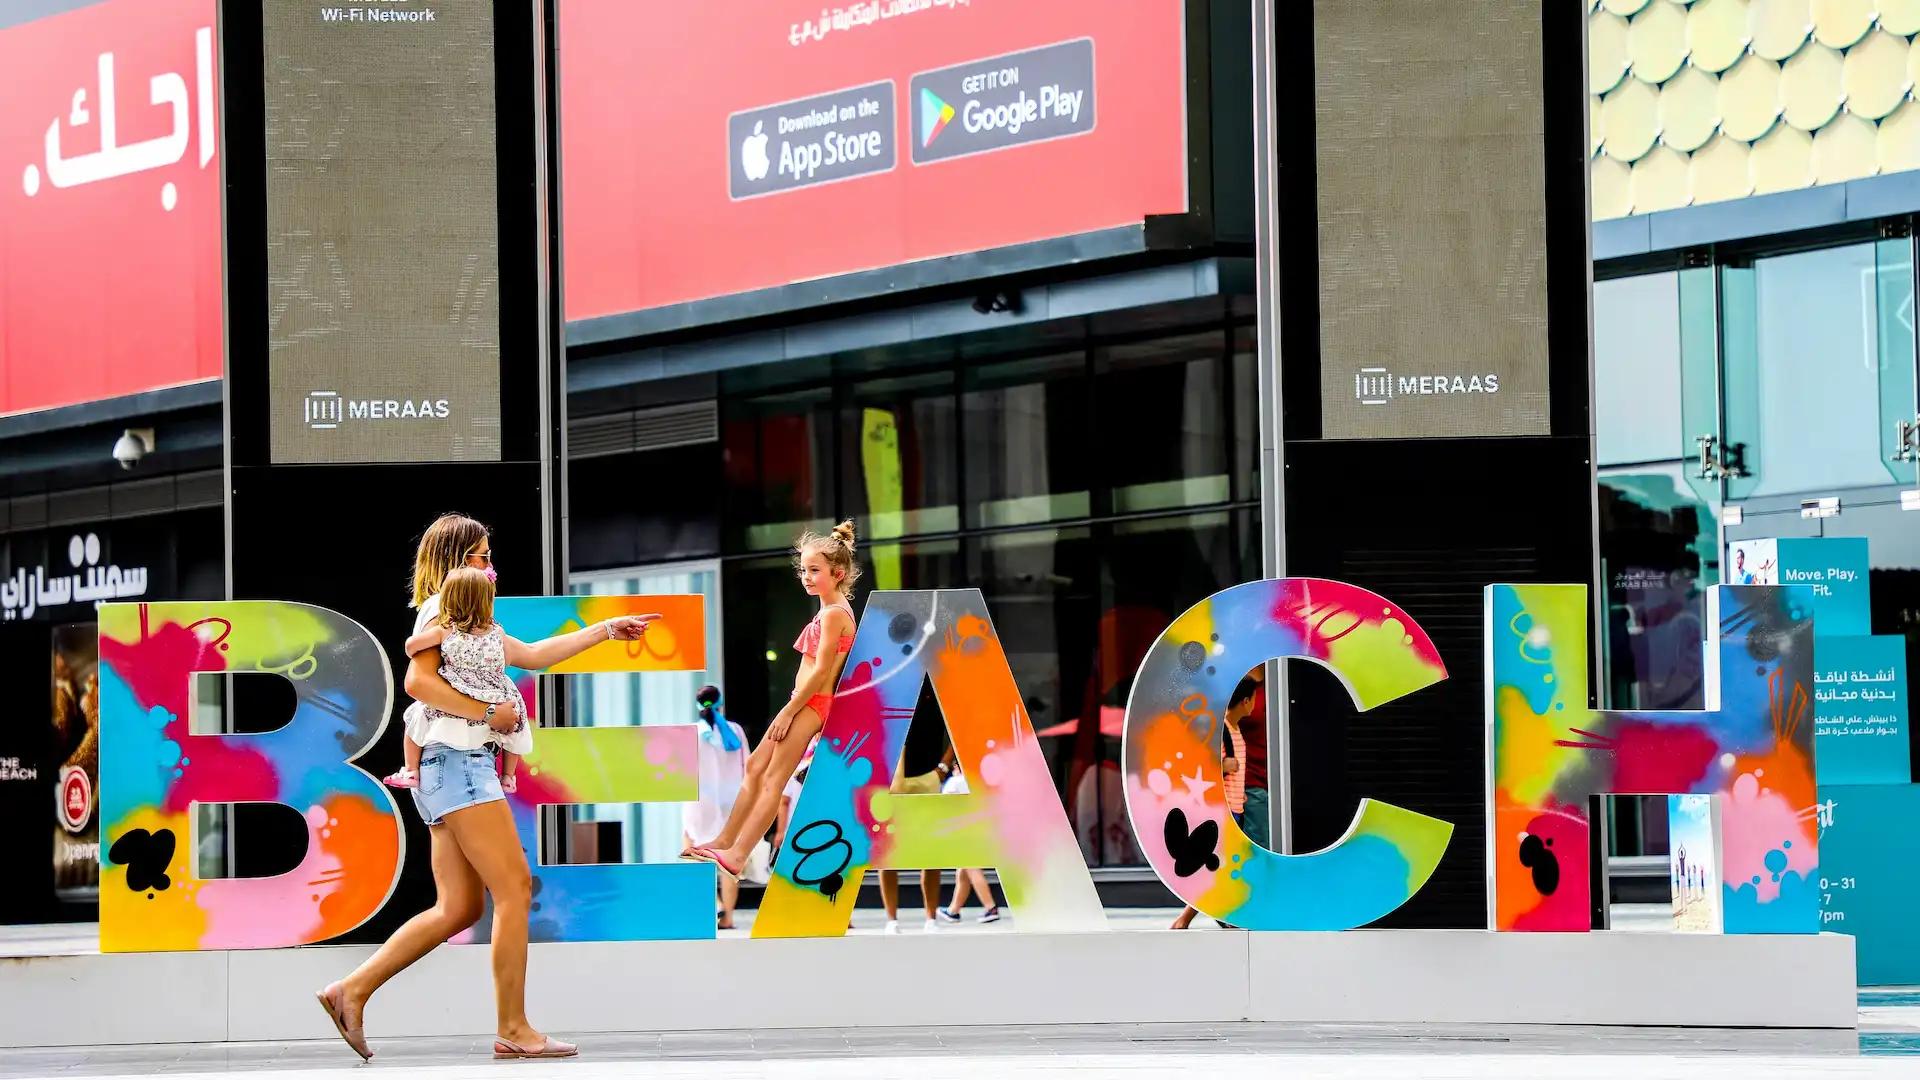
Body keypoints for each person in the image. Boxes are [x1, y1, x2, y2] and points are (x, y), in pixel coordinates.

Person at [315, 514, 650, 1062]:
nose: (489, 567)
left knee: (459, 907)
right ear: (455, 561)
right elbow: (416, 682)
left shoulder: (470, 622)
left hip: (449, 768)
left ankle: (349, 991)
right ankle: (513, 1028)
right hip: (461, 764)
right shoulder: (439, 613)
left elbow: (535, 656)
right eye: (479, 557)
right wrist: (489, 712)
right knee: (514, 889)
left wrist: (608, 630)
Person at [684, 521, 860, 880]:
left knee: (773, 781)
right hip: (803, 701)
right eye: (803, 570)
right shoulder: (830, 611)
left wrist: (788, 711)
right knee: (754, 769)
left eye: (814, 570)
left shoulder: (835, 615)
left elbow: (822, 670)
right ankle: (725, 839)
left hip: (809, 705)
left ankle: (738, 854)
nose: (806, 577)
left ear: (838, 573)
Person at [1171, 674, 1254, 931]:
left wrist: (1241, 795)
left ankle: (1221, 917)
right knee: (1218, 866)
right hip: (1223, 811)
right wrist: (1224, 765)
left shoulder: (1236, 731)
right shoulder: (1222, 732)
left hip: (1236, 808)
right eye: (1254, 700)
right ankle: (1188, 919)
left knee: (1223, 866)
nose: (1255, 706)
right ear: (1245, 701)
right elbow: (1204, 767)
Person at [686, 685, 749, 930]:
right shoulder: (735, 731)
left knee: (697, 852)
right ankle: (729, 915)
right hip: (732, 801)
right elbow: (748, 766)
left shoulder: (692, 733)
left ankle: (715, 902)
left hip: (700, 800)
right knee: (728, 857)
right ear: (721, 703)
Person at [934, 758, 1003, 925]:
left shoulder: (954, 782)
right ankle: (953, 911)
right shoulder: (980, 780)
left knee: (971, 868)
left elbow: (945, 806)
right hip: (979, 829)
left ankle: (990, 907)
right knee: (963, 871)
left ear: (957, 766)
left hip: (961, 831)